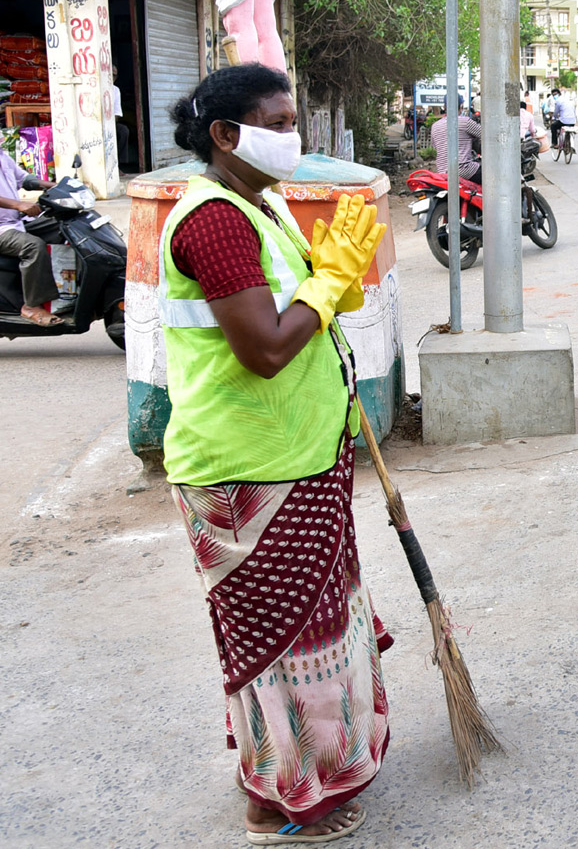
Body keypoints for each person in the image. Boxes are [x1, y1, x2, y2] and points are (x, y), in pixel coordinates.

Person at [163, 63, 392, 844]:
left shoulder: (259, 204)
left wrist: (333, 286)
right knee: (282, 646)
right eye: (277, 122)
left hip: (295, 458)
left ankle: (307, 776)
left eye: (295, 122)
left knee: (313, 634)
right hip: (247, 473)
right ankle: (277, 798)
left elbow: (304, 310)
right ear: (226, 135)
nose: (291, 137)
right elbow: (263, 349)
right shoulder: (215, 221)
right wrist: (326, 287)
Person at [0, 152, 60, 326]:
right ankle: (32, 305)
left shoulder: (3, 156)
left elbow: (25, 179)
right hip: (2, 229)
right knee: (33, 246)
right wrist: (18, 204)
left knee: (62, 226)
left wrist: (57, 186)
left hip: (16, 222)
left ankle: (66, 289)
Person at [431, 95, 483, 186]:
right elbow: (488, 137)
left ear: (444, 107)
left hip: (442, 172)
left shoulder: (435, 126)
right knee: (495, 175)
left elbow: (436, 147)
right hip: (464, 170)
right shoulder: (465, 122)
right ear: (461, 106)